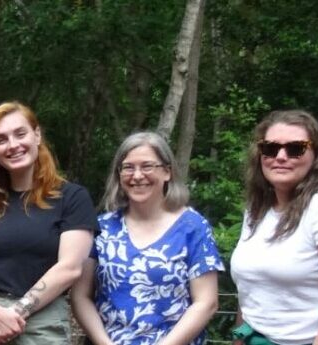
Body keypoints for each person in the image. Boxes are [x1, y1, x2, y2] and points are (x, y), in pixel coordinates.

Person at [0, 101, 97, 345]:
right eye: (0, 139)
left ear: (37, 135)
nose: (13, 145)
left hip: (43, 323)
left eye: (20, 134)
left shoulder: (72, 198)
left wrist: (15, 313)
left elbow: (70, 268)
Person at [70, 132, 221, 345]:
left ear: (167, 172)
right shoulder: (101, 228)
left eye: (147, 166)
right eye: (128, 167)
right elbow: (80, 296)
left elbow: (206, 302)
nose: (137, 175)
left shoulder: (193, 227)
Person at [231, 110, 318, 345]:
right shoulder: (257, 210)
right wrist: (240, 337)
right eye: (270, 148)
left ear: (316, 156)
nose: (281, 156)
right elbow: (252, 285)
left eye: (295, 148)